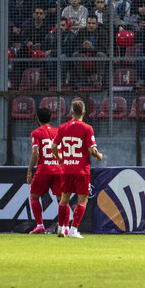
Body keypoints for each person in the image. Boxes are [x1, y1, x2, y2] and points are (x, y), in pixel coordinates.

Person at [54, 99, 103, 238]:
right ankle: (74, 230)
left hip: (67, 169)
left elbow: (53, 147)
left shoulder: (62, 127)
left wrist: (59, 159)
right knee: (83, 200)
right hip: (81, 170)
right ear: (83, 112)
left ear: (70, 112)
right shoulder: (87, 128)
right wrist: (99, 155)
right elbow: (91, 150)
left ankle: (61, 228)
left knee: (64, 199)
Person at [26, 105, 61, 235]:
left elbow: (35, 153)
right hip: (58, 168)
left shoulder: (36, 133)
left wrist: (29, 170)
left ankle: (40, 225)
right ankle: (64, 226)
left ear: (37, 119)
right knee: (61, 198)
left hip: (44, 169)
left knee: (34, 196)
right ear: (50, 118)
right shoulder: (58, 131)